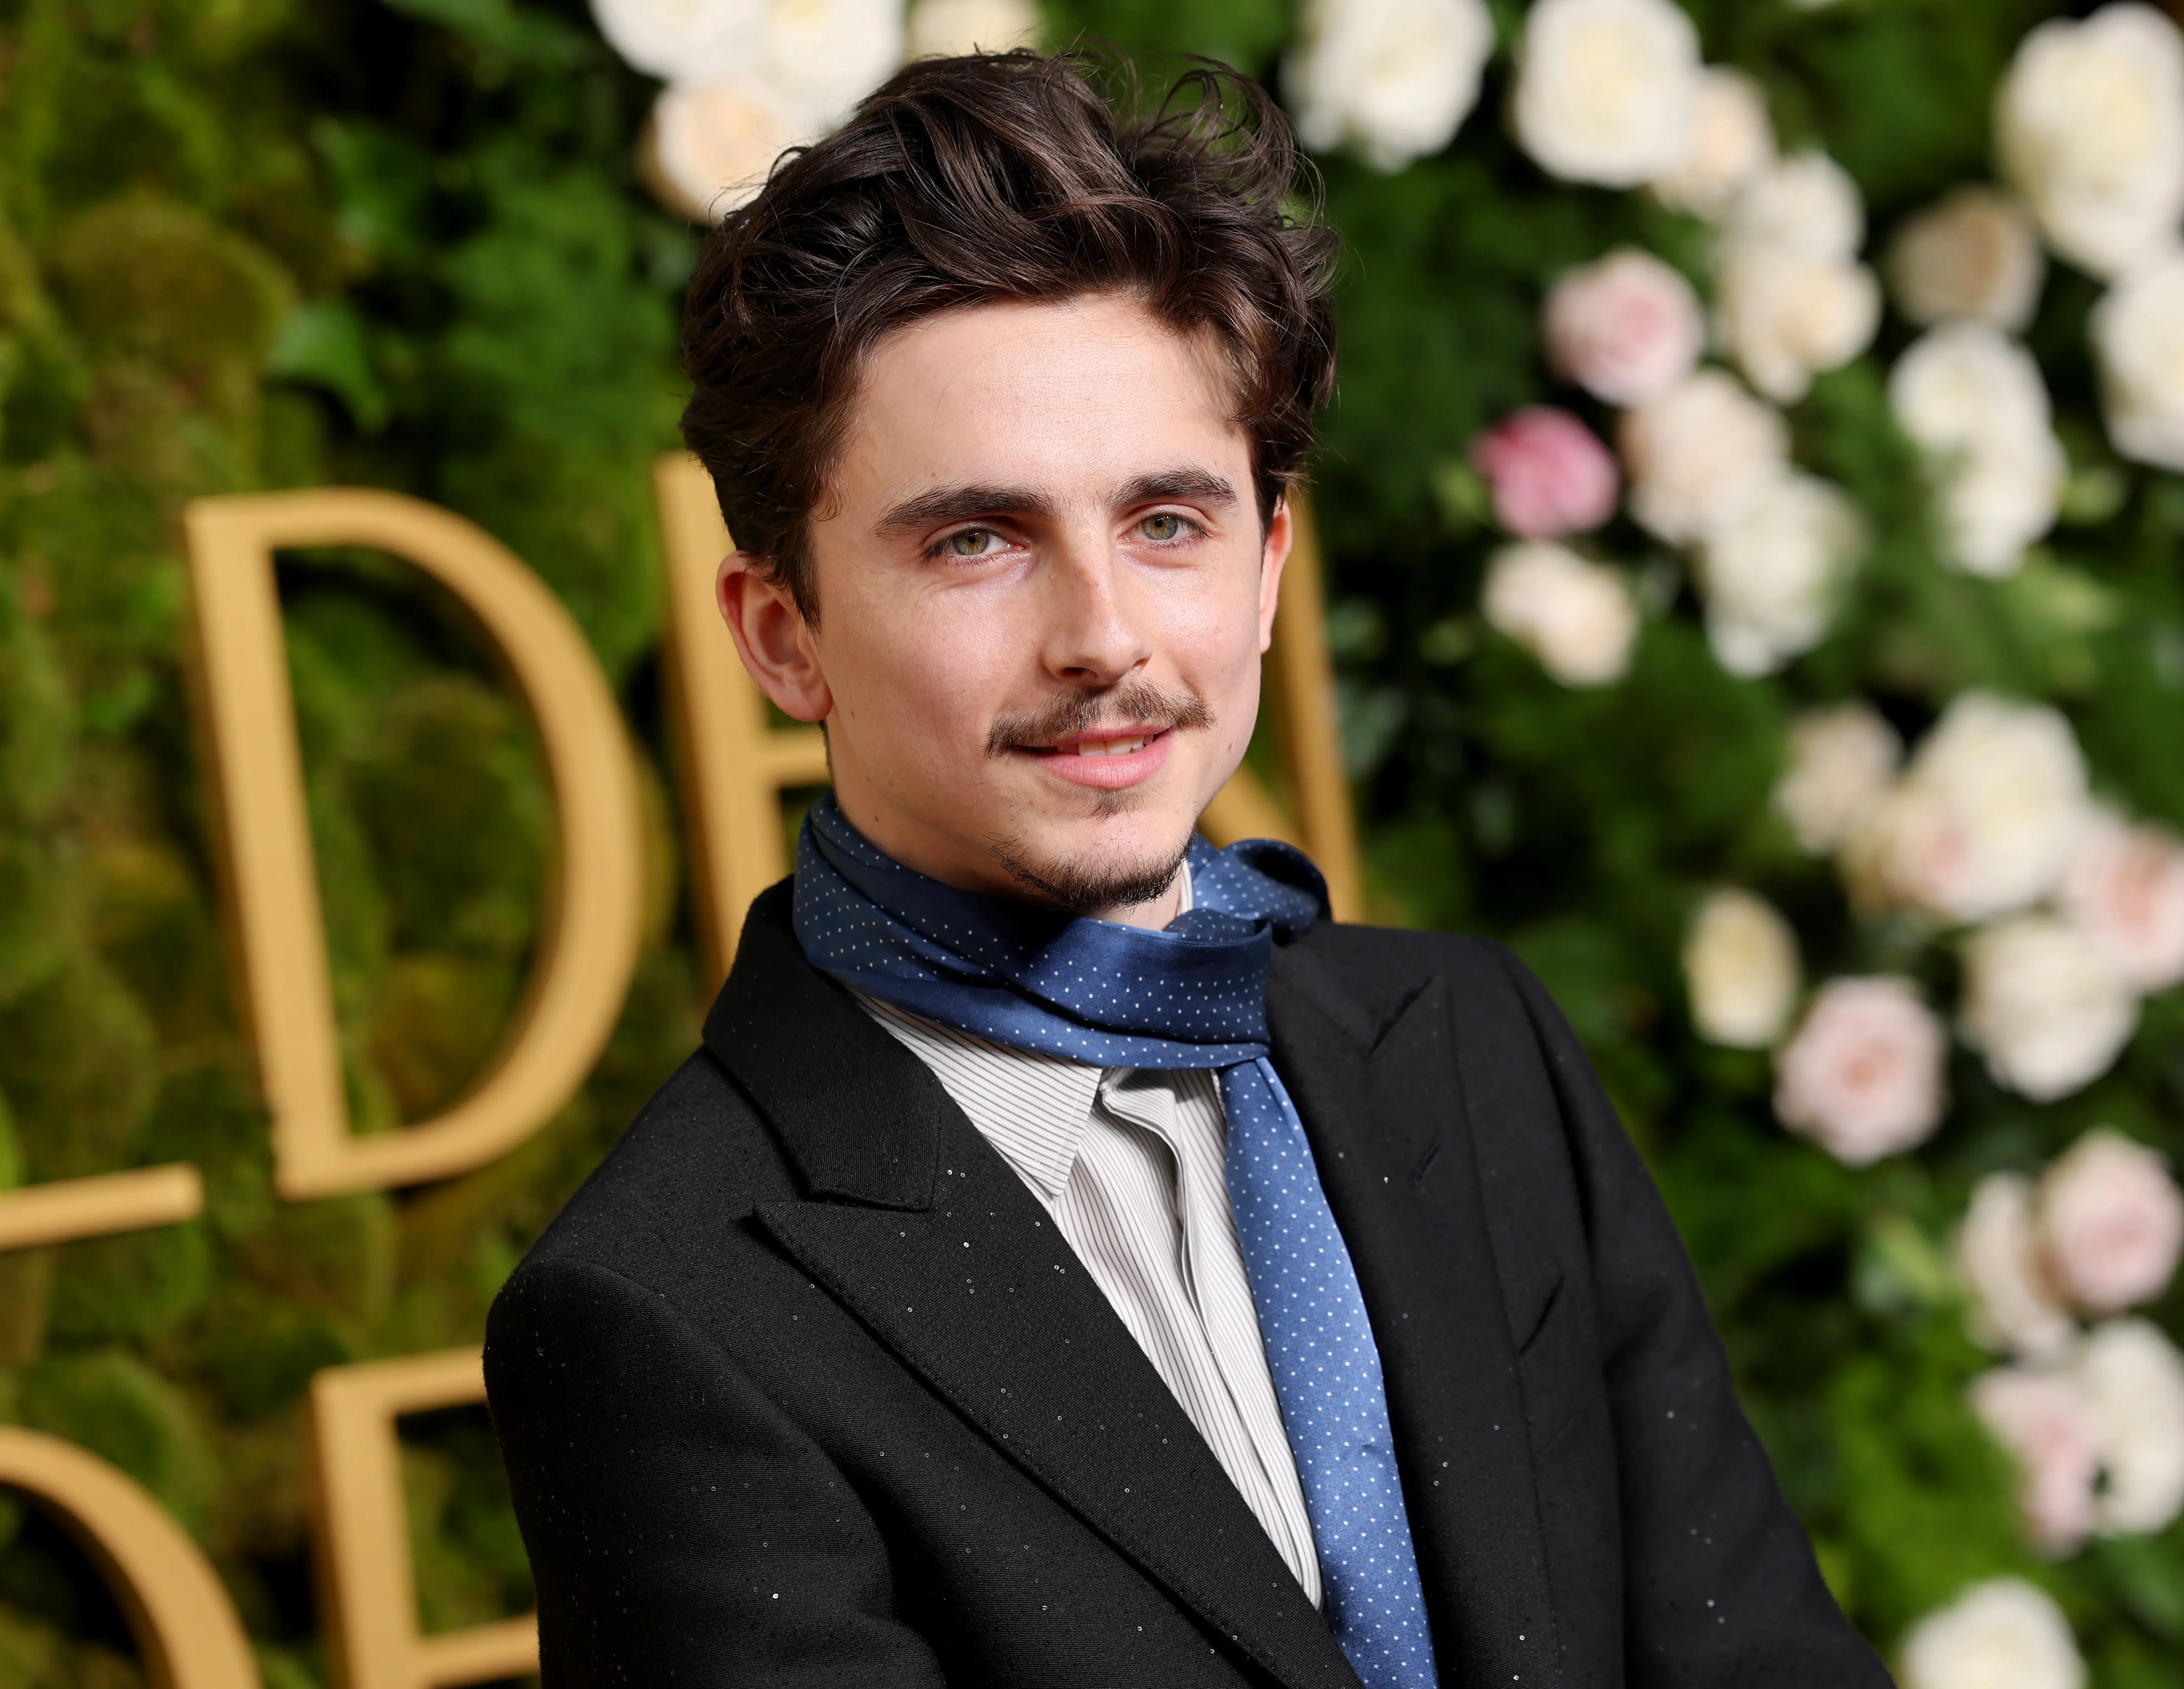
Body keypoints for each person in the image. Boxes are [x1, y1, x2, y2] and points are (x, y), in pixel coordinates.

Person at [483, 50, 1889, 1689]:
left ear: (1273, 562)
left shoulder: (1470, 1042)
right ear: (782, 636)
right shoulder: (667, 1310)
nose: (1104, 641)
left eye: (1168, 523)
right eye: (975, 540)